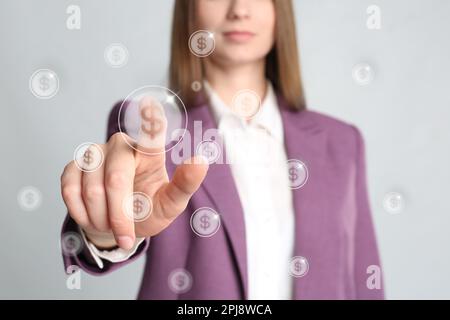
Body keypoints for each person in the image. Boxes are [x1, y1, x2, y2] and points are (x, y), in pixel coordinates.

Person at [60, 0, 384, 299]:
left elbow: (365, 278)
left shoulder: (342, 142)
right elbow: (120, 211)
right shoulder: (148, 128)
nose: (239, 9)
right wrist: (103, 232)